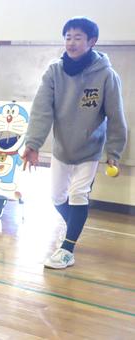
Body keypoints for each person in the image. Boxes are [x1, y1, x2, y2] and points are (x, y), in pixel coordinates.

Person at [23, 17, 127, 269]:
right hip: (62, 148)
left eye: (78, 38)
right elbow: (41, 110)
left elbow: (116, 116)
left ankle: (67, 248)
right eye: (68, 37)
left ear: (92, 42)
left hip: (90, 149)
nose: (71, 42)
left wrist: (113, 152)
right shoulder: (54, 72)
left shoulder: (106, 75)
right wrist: (33, 143)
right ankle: (73, 231)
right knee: (57, 197)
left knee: (79, 195)